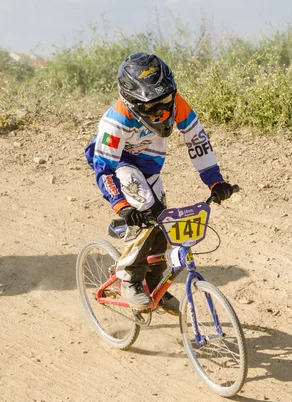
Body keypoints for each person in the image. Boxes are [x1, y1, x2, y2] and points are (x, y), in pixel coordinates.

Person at [85, 52, 234, 313]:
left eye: (165, 100)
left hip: (149, 167)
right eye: (150, 106)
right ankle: (129, 278)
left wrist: (215, 181)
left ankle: (153, 285)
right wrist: (121, 206)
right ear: (130, 101)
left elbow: (197, 141)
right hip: (119, 164)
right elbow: (104, 170)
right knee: (144, 209)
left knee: (161, 222)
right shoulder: (115, 122)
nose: (161, 111)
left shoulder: (178, 104)